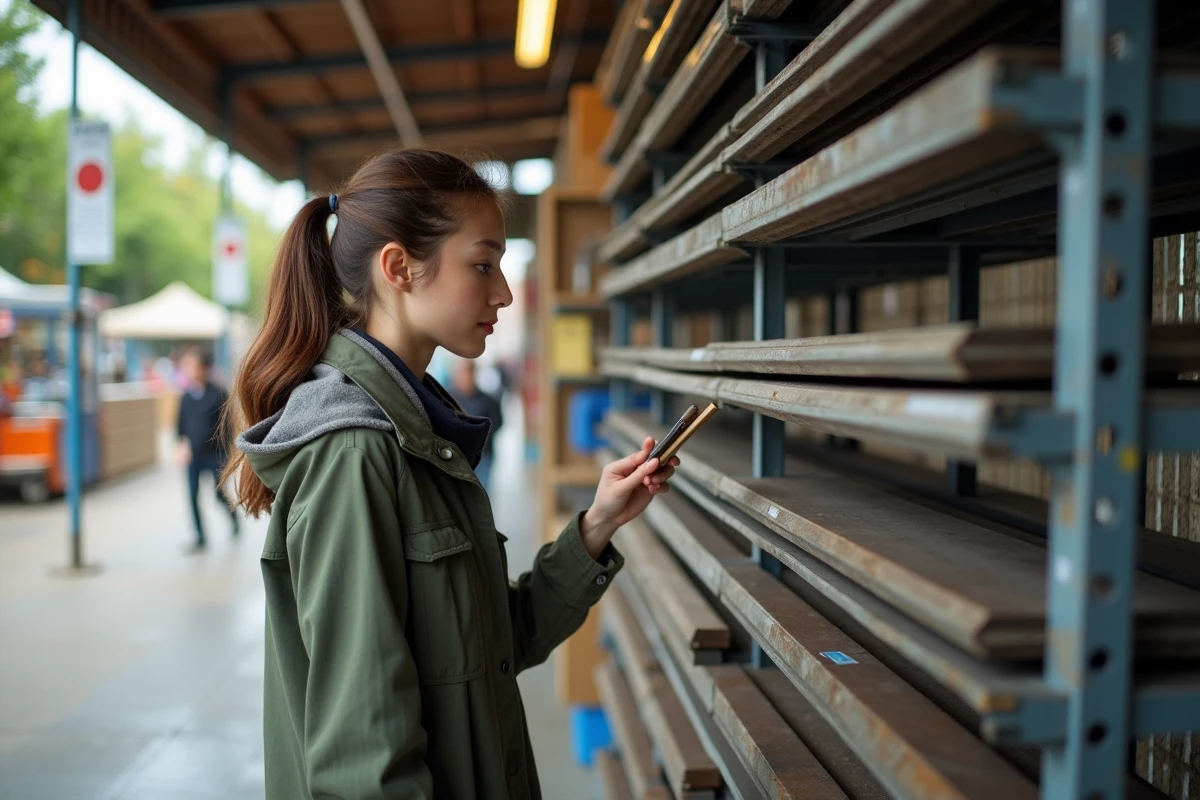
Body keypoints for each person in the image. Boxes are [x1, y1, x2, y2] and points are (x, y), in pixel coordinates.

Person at [224, 149, 678, 800]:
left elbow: (492, 648)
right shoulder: (356, 452)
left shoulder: (417, 432)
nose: (505, 292)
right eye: (483, 264)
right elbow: (365, 761)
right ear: (399, 268)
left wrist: (598, 525)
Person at [176, 349, 239, 551]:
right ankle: (200, 537)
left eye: (192, 366)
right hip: (194, 456)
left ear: (204, 368)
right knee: (193, 495)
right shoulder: (185, 397)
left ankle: (233, 518)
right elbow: (180, 425)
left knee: (219, 494)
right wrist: (181, 445)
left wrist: (230, 454)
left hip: (216, 455)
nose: (189, 371)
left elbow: (229, 425)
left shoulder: (219, 393)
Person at [451, 358, 503, 490]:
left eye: (468, 374)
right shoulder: (448, 398)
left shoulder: (487, 400)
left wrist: (480, 434)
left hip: (483, 455)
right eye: (462, 374)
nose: (465, 378)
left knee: (481, 491)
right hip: (457, 456)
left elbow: (499, 422)